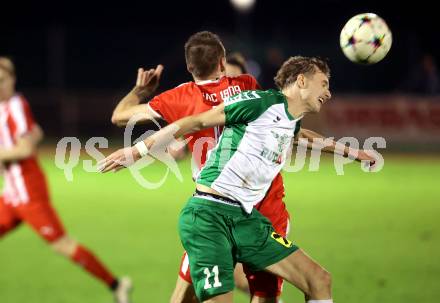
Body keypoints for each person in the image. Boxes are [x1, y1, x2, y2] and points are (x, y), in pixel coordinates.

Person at [101, 56, 376, 302]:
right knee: (188, 296)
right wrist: (136, 151)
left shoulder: (290, 120)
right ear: (301, 81)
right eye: (324, 84)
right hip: (209, 215)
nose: (328, 93)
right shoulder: (259, 101)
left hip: (247, 220)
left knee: (319, 280)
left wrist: (351, 152)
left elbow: (302, 138)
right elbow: (196, 122)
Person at [0, 57, 132, 303]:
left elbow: (25, 148)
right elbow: (36, 132)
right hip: (11, 194)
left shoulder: (15, 105)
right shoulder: (3, 109)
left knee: (62, 244)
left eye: (2, 80)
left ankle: (116, 284)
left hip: (29, 193)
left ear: (12, 80)